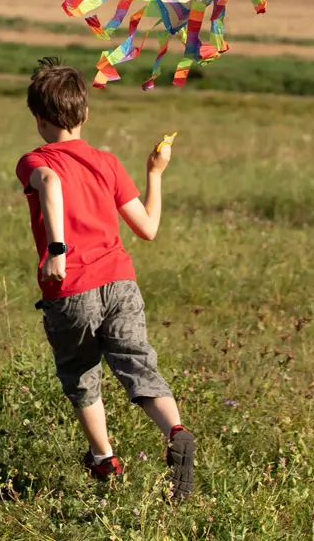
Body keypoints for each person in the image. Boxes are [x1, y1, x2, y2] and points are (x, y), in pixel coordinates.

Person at [16, 56, 196, 499]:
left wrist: (56, 249)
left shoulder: (35, 159)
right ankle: (174, 430)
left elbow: (50, 184)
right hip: (120, 282)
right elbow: (148, 228)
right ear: (85, 113)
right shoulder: (109, 163)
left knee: (80, 374)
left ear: (39, 119)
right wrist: (155, 175)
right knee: (138, 365)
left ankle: (104, 459)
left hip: (71, 287)